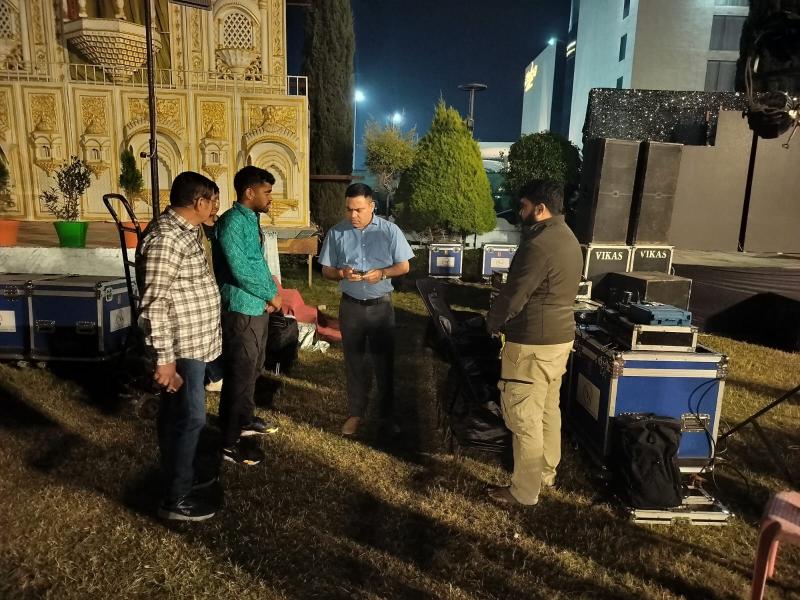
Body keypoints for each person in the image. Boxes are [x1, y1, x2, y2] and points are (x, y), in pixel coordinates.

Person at [485, 180, 583, 507]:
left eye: (524, 206)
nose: (520, 212)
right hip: (559, 340)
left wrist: (491, 323)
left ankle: (524, 491)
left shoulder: (538, 244)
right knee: (546, 409)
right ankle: (545, 473)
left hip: (532, 344)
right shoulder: (567, 237)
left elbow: (514, 296)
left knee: (524, 417)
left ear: (540, 208)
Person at [137, 171, 222, 521]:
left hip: (193, 345)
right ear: (199, 202)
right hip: (180, 349)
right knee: (189, 418)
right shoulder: (167, 239)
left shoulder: (186, 231)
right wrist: (164, 359)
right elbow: (154, 302)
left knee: (178, 417)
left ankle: (181, 474)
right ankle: (176, 498)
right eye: (213, 202)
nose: (216, 208)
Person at [319, 183, 414, 437]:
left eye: (359, 209)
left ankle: (386, 415)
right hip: (351, 307)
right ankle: (355, 413)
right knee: (354, 362)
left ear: (372, 206)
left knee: (384, 363)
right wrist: (341, 273)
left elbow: (404, 266)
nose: (353, 215)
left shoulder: (389, 231)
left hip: (380, 307)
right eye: (349, 209)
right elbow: (326, 270)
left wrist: (382, 273)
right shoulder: (337, 233)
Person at [213, 166, 282, 466]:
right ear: (249, 192)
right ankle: (228, 443)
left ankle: (245, 419)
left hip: (257, 306)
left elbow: (257, 263)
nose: (270, 198)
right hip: (241, 309)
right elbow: (240, 269)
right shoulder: (231, 223)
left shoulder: (250, 219)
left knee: (253, 368)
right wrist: (269, 294)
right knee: (239, 375)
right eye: (267, 192)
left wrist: (271, 294)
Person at [201, 187, 224, 392]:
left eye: (218, 200)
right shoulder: (196, 228)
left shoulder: (222, 225)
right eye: (211, 200)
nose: (215, 205)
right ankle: (213, 375)